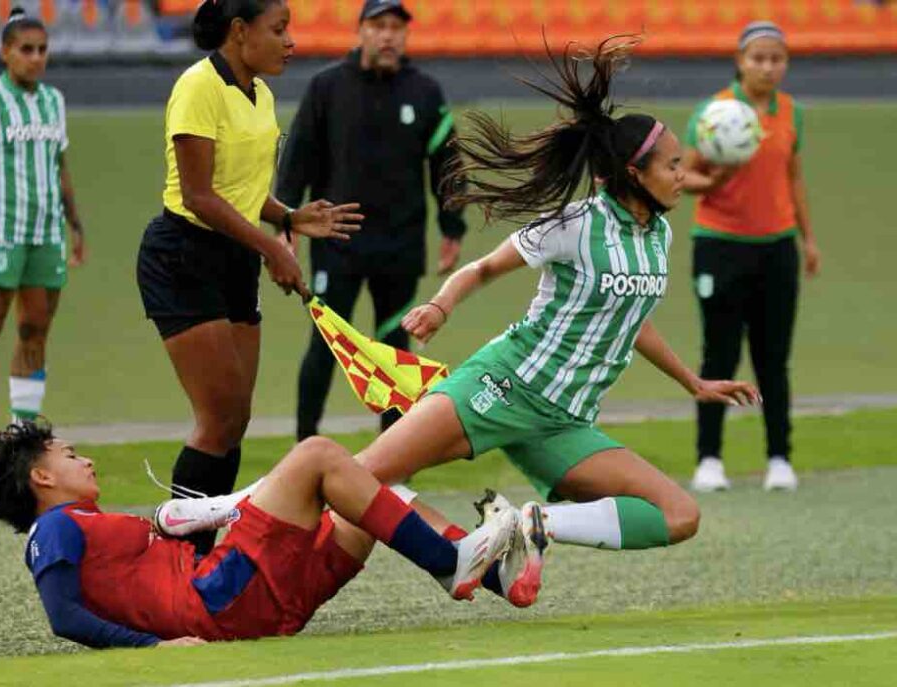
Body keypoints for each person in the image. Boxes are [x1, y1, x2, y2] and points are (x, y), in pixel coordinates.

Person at [354, 38, 761, 574]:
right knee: (360, 473)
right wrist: (440, 305)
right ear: (636, 174)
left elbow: (628, 323)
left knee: (680, 514)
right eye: (674, 166)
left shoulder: (657, 234)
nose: (683, 176)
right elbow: (482, 268)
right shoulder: (574, 224)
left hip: (563, 424)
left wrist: (694, 382)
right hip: (503, 386)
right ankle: (222, 513)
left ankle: (531, 523)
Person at [0, 420, 532, 648]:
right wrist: (155, 648)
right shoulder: (55, 528)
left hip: (251, 603)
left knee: (371, 489)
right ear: (42, 477)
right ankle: (453, 560)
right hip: (225, 601)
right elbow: (62, 616)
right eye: (69, 455)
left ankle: (494, 577)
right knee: (317, 455)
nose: (84, 460)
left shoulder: (84, 524)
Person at [135, 0, 363, 545]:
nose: (291, 42)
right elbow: (198, 194)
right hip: (183, 258)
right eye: (279, 30)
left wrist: (288, 217)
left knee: (234, 421)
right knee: (217, 420)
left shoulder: (260, 93)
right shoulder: (198, 86)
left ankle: (200, 557)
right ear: (240, 32)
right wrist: (274, 248)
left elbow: (241, 190)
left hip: (233, 260)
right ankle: (177, 563)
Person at [275, 0, 467, 440]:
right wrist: (286, 226)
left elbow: (448, 166)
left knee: (391, 351)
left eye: (396, 27)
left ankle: (392, 458)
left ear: (405, 35)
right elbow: (298, 158)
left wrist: (452, 228)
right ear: (360, 31)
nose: (388, 36)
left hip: (399, 245)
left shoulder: (425, 92)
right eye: (378, 26)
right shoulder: (327, 87)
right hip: (337, 241)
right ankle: (304, 445)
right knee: (325, 347)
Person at [682, 21, 817, 493]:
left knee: (773, 358)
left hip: (777, 248)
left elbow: (794, 177)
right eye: (758, 58)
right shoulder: (714, 112)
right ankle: (709, 460)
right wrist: (715, 182)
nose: (767, 66)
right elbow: (683, 176)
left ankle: (779, 459)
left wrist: (809, 239)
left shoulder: (791, 114)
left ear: (785, 64)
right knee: (719, 353)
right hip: (719, 246)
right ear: (741, 61)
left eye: (776, 58)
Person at [0, 7, 86, 461]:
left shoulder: (53, 101)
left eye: (42, 50)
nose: (35, 58)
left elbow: (59, 166)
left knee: (34, 331)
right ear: (6, 53)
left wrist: (75, 225)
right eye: (26, 50)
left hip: (45, 234)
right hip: (0, 234)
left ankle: (20, 435)